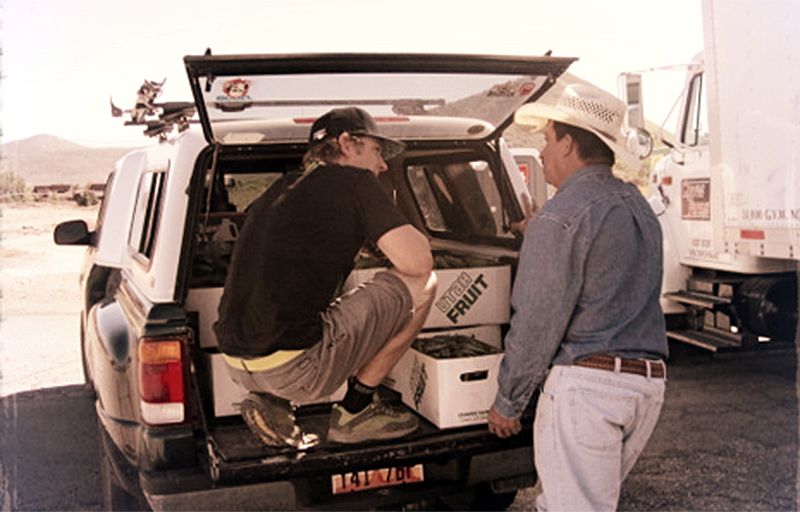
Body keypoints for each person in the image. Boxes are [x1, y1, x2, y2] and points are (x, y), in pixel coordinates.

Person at [487, 84, 669, 511]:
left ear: (569, 143)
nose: (544, 152)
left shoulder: (561, 216)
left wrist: (508, 401)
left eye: (547, 140)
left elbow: (537, 319)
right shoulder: (638, 206)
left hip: (588, 389)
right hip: (646, 386)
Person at [213, 107, 437, 449]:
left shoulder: (281, 187)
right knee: (425, 285)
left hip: (237, 364)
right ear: (347, 143)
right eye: (377, 151)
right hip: (297, 370)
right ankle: (356, 410)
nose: (383, 165)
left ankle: (274, 403)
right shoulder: (354, 183)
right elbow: (418, 262)